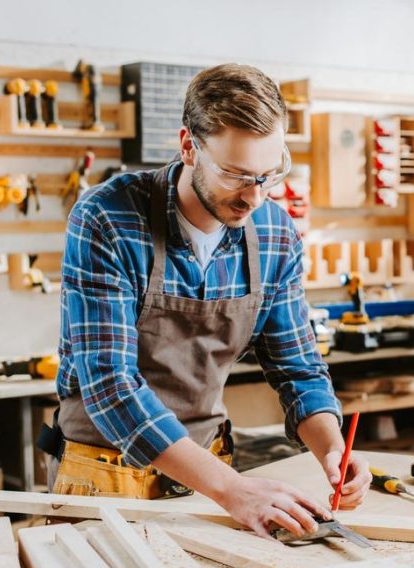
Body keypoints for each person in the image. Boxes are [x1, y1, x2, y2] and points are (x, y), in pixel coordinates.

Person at [42, 63, 371, 539]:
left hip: (209, 474)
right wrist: (232, 489)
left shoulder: (274, 232)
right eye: (236, 175)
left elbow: (298, 368)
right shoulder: (107, 218)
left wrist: (331, 450)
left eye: (268, 175)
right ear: (188, 147)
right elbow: (110, 386)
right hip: (104, 472)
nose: (254, 197)